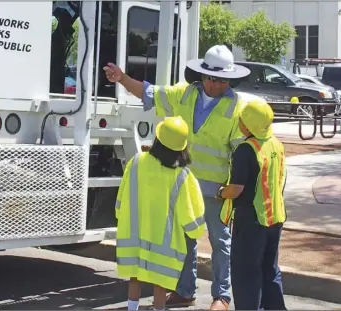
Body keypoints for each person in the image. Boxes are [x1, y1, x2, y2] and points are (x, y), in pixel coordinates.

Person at [104, 45, 251, 310]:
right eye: (211, 78)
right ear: (202, 75)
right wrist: (122, 78)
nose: (216, 84)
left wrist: (234, 188)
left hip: (216, 189)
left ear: (230, 79)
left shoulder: (237, 107)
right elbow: (149, 93)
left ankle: (222, 296)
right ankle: (185, 291)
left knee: (221, 242)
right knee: (184, 242)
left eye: (222, 79)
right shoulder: (183, 94)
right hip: (182, 184)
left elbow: (242, 152)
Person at [115, 116, 206, 311]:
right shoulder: (182, 176)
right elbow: (192, 214)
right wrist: (195, 231)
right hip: (165, 244)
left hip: (134, 237)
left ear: (157, 139)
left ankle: (132, 308)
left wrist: (119, 213)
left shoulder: (137, 161)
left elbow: (121, 196)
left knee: (135, 276)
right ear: (182, 147)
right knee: (160, 283)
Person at [217, 98, 287, 310]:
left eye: (241, 119)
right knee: (270, 270)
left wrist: (221, 192)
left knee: (246, 273)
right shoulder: (276, 144)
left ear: (248, 125)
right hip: (275, 218)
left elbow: (236, 189)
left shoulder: (245, 150)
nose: (239, 122)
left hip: (251, 221)